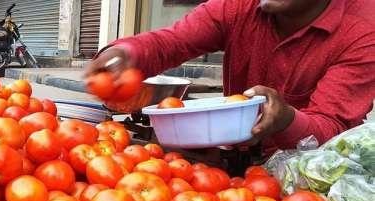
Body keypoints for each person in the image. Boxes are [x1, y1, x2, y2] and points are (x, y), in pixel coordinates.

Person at [87, 0, 375, 150]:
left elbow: (332, 129)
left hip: (303, 183)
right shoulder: (237, 6)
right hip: (230, 170)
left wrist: (285, 118)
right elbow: (173, 42)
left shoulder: (363, 31)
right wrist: (126, 54)